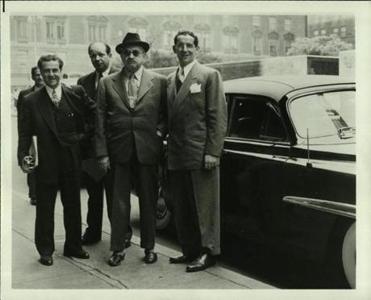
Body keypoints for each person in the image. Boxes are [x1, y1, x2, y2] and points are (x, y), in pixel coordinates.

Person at [95, 33, 167, 267]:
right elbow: (100, 121)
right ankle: (117, 248)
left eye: (135, 52)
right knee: (118, 203)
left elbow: (166, 116)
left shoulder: (159, 81)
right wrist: (103, 153)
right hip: (118, 151)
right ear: (120, 56)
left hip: (147, 150)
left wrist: (158, 134)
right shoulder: (108, 83)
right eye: (126, 52)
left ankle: (149, 247)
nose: (130, 56)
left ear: (144, 56)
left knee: (148, 200)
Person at [17, 54, 95, 266]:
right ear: (40, 74)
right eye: (47, 71)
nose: (51, 74)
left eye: (55, 70)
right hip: (46, 162)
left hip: (71, 160)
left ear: (61, 71)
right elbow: (24, 132)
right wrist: (24, 157)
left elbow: (94, 116)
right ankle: (45, 250)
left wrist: (82, 140)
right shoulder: (30, 100)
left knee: (72, 206)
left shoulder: (76, 93)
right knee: (45, 208)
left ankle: (73, 246)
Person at [167, 31, 227, 272]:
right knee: (183, 207)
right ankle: (189, 250)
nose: (184, 49)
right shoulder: (171, 80)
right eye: (180, 45)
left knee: (205, 206)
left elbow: (218, 116)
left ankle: (208, 252)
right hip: (177, 153)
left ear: (197, 49)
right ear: (174, 49)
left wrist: (213, 151)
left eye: (189, 45)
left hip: (201, 153)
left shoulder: (209, 75)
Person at [77, 42, 132, 247]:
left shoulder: (122, 77)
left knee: (116, 195)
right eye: (92, 55)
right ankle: (93, 232)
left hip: (115, 148)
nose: (97, 59)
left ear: (110, 55)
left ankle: (122, 233)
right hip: (91, 150)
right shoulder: (84, 82)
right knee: (93, 194)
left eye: (100, 54)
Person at [16, 66, 44, 206]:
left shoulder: (50, 92)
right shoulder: (25, 94)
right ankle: (34, 195)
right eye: (37, 75)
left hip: (46, 136)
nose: (40, 77)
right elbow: (21, 119)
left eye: (41, 74)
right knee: (32, 164)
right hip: (32, 136)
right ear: (33, 77)